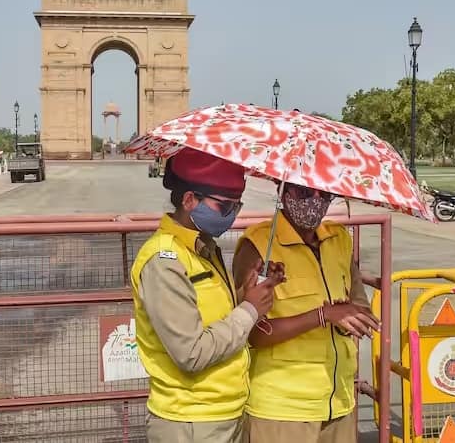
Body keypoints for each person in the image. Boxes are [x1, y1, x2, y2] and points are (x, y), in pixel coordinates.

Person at [130, 148, 284, 443]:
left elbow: (217, 317)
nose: (232, 216)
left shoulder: (204, 248)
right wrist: (250, 309)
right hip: (191, 421)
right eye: (224, 207)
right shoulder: (165, 261)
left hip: (225, 411)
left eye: (237, 207)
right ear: (189, 200)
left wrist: (250, 291)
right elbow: (191, 352)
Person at [233, 182, 380, 443]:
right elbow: (254, 334)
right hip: (282, 410)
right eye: (303, 191)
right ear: (283, 191)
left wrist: (347, 319)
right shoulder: (258, 246)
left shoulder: (339, 240)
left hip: (339, 402)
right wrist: (324, 315)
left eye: (324, 194)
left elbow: (360, 308)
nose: (315, 200)